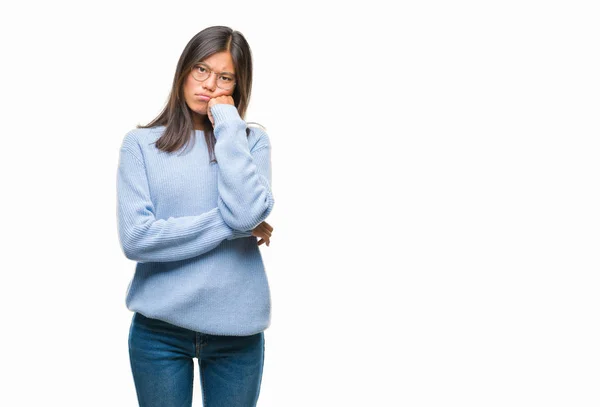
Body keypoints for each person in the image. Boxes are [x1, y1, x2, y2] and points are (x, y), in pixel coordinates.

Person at [116, 25, 275, 407]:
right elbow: (136, 239)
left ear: (238, 86)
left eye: (224, 77)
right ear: (184, 70)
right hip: (159, 332)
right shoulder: (141, 145)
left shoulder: (251, 142)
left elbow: (248, 211)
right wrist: (235, 224)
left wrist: (228, 124)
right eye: (201, 70)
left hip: (238, 333)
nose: (208, 85)